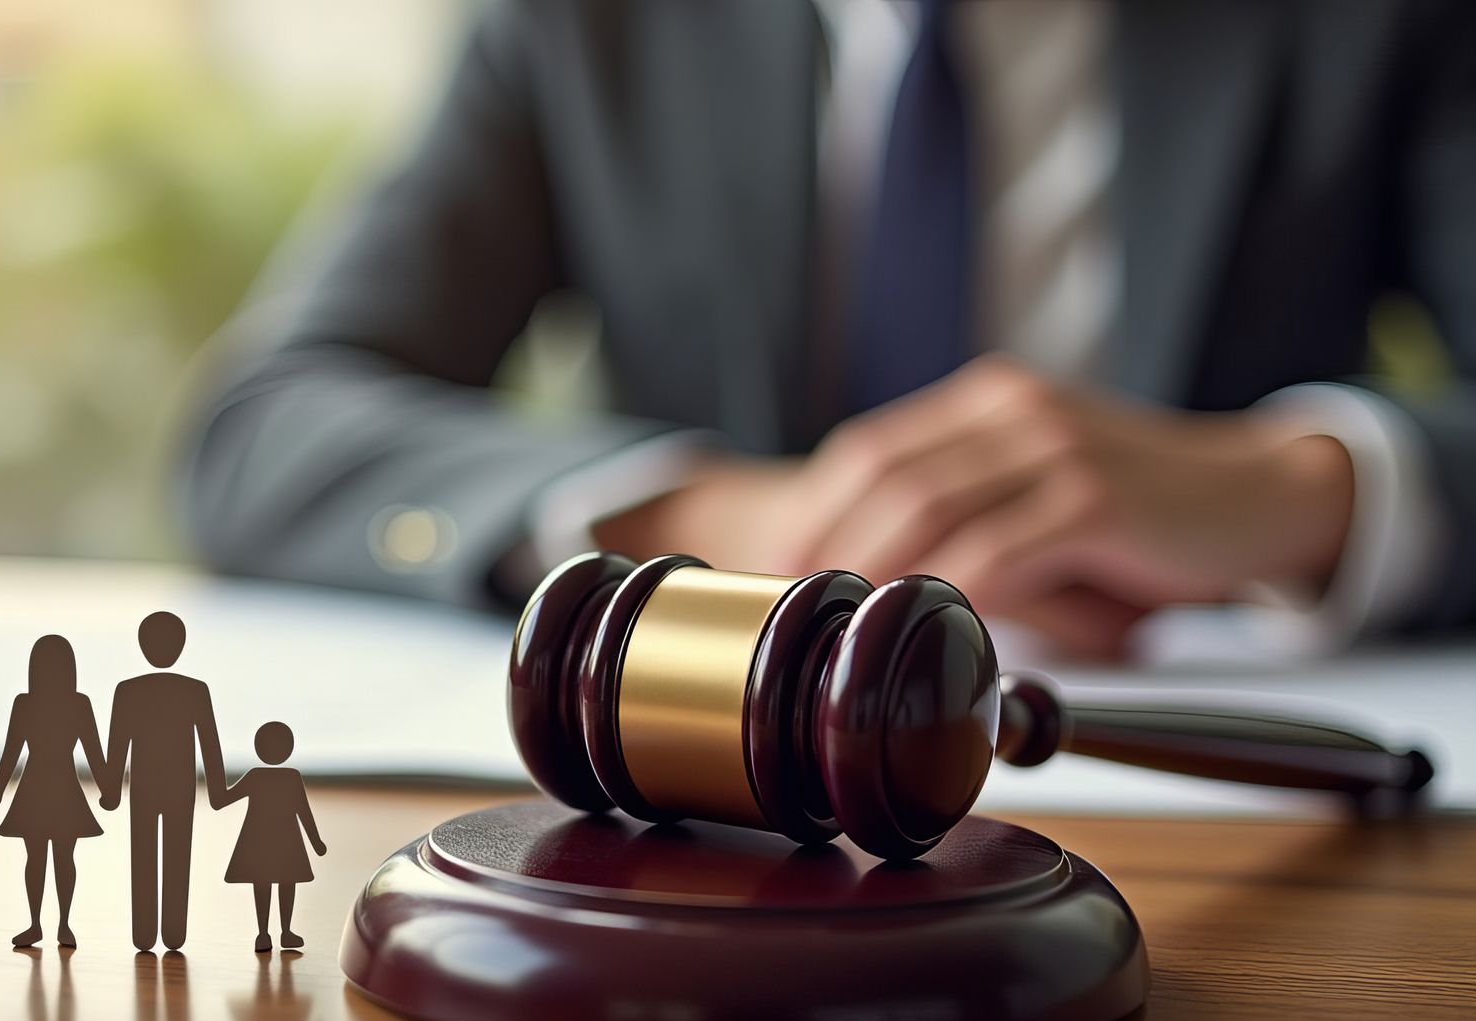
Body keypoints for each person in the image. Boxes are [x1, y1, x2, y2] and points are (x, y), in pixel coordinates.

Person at [187, 0, 1476, 657]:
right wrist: (708, 522)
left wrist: (1305, 491)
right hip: (714, 845)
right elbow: (266, 429)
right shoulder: (585, 23)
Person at [100, 611, 228, 953]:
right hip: (178, 788)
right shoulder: (194, 691)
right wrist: (217, 791)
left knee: (144, 856)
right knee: (176, 855)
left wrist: (112, 790)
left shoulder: (128, 691)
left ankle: (147, 932)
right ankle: (172, 932)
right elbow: (210, 746)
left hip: (145, 788)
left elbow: (117, 746)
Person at [0, 635, 109, 949]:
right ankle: (40, 924)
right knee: (47, 857)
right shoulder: (33, 703)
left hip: (53, 786)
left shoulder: (71, 703)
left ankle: (61, 923)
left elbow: (93, 751)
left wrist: (108, 788)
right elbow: (11, 751)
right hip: (44, 786)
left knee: (50, 857)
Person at [215, 721, 326, 952]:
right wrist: (315, 842)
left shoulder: (259, 776)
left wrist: (214, 774)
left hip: (264, 840)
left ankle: (271, 934)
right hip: (284, 841)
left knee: (268, 883)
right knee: (283, 883)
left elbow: (222, 800)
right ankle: (274, 933)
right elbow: (303, 811)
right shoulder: (289, 777)